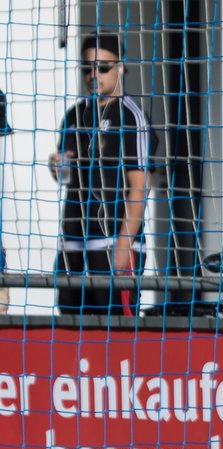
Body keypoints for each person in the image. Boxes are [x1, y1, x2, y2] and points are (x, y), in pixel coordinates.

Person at [48, 33, 157, 316]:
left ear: (120, 67)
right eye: (87, 68)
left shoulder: (131, 117)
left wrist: (123, 244)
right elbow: (68, 178)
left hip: (112, 243)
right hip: (74, 242)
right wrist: (58, 168)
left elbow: (140, 186)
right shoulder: (73, 116)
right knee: (70, 328)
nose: (94, 75)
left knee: (113, 332)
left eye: (103, 67)